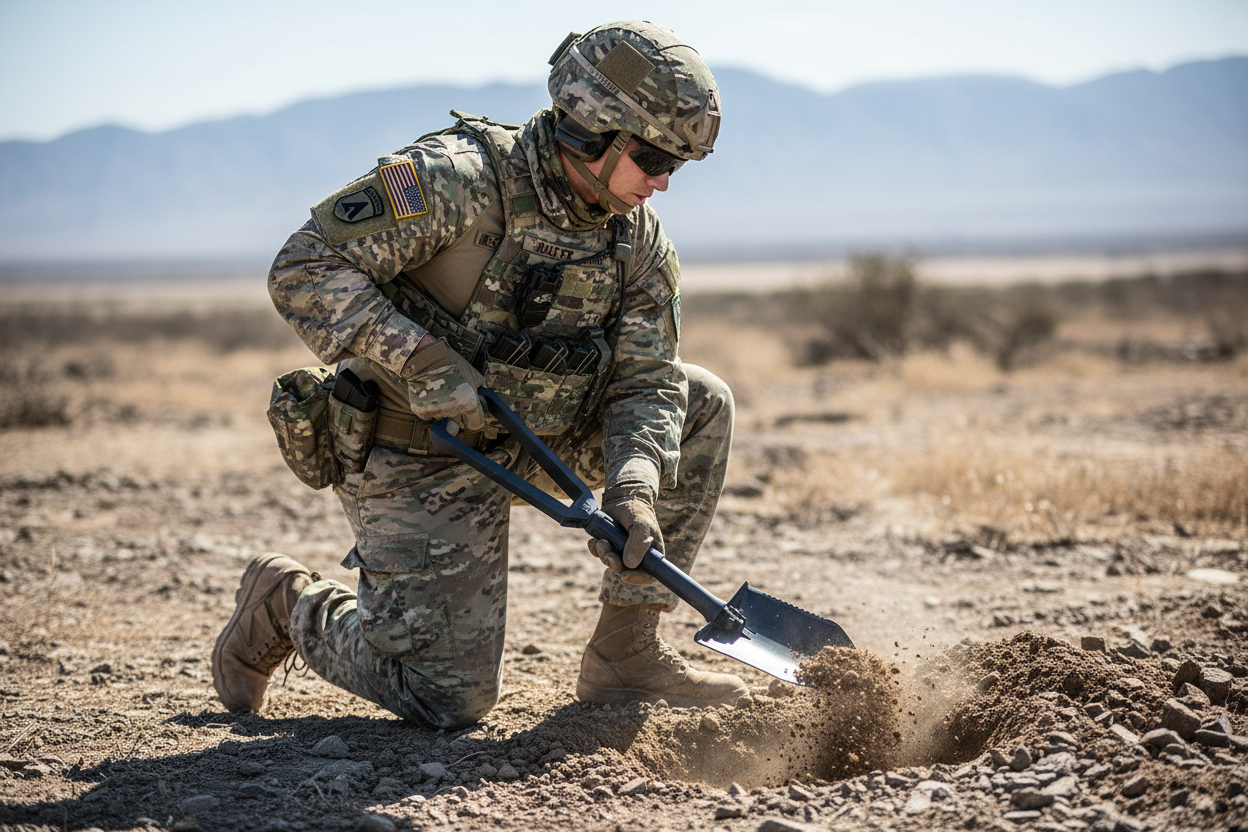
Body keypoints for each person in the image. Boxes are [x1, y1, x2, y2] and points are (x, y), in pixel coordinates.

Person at [211, 20, 747, 729]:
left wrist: (635, 487)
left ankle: (626, 651)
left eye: (678, 165)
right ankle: (287, 602)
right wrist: (420, 358)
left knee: (699, 398)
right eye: (651, 157)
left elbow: (647, 380)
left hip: (539, 438)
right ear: (592, 130)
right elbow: (305, 266)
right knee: (448, 700)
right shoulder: (452, 182)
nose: (663, 182)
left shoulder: (635, 238)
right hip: (422, 448)